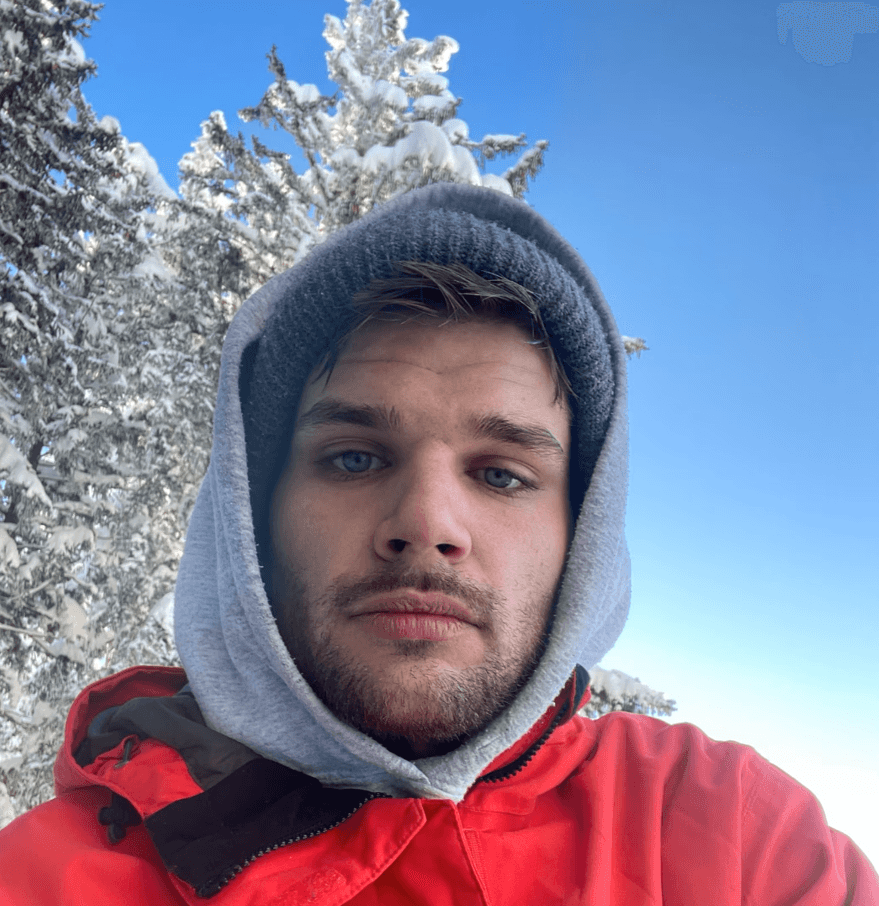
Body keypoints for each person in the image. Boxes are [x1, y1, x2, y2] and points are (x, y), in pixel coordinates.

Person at [0, 184, 875, 904]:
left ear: (581, 537)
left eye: (500, 475)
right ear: (250, 516)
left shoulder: (729, 839)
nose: (426, 524)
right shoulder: (52, 882)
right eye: (351, 457)